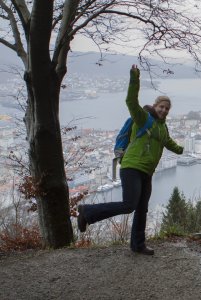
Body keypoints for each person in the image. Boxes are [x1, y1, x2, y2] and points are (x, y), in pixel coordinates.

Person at [77, 64, 184, 255]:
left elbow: (168, 142)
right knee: (129, 205)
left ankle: (138, 244)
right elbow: (131, 101)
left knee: (142, 209)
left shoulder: (162, 128)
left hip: (147, 172)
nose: (164, 110)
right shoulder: (144, 118)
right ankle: (87, 212)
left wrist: (180, 149)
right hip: (132, 167)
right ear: (155, 105)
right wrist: (135, 79)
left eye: (167, 108)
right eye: (162, 107)